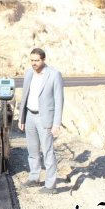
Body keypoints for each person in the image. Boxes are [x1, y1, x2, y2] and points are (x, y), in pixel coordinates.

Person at [18, 48, 64, 194]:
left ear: (43, 60)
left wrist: (56, 123)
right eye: (32, 60)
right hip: (30, 116)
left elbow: (59, 100)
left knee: (48, 152)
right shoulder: (29, 73)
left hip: (45, 119)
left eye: (37, 60)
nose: (34, 63)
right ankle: (34, 177)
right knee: (32, 150)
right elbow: (24, 96)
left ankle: (51, 186)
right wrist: (21, 117)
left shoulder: (54, 75)